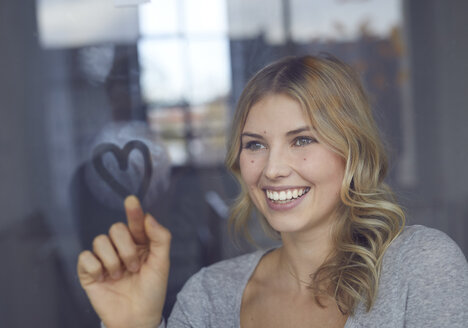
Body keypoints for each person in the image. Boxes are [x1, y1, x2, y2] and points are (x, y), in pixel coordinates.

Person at [77, 55, 468, 328]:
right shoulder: (208, 297)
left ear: (352, 152)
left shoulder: (421, 267)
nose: (273, 170)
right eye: (255, 145)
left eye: (302, 140)